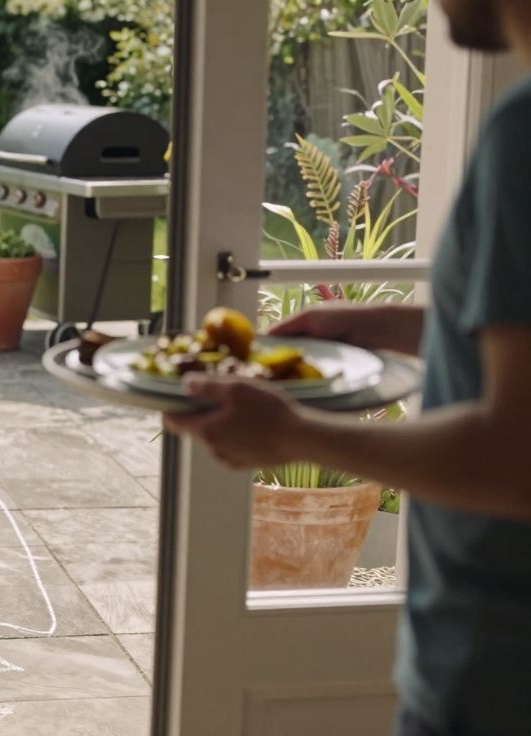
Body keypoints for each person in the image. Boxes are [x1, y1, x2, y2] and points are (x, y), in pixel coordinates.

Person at [165, 0, 531, 734]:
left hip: (496, 671)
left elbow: (517, 456)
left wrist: (298, 436)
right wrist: (384, 325)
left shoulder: (523, 134)